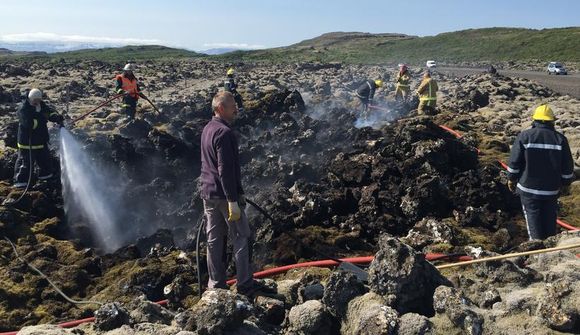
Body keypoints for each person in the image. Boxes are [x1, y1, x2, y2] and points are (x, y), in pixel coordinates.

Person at [200, 91, 260, 296]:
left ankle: (215, 285)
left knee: (213, 240)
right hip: (224, 196)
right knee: (241, 237)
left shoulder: (207, 129)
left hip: (208, 194)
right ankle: (244, 285)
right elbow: (225, 169)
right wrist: (233, 200)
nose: (236, 109)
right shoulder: (224, 133)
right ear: (219, 108)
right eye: (231, 106)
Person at [507, 104, 575, 240]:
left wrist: (511, 179)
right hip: (551, 190)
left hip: (528, 189)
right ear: (552, 121)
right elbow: (567, 167)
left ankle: (537, 249)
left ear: (534, 120)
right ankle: (550, 245)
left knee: (532, 219)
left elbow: (514, 163)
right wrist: (566, 183)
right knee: (550, 219)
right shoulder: (560, 139)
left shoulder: (524, 136)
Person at [13, 88, 64, 188]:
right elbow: (29, 124)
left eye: (38, 101)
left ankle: (45, 179)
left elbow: (48, 111)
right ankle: (21, 182)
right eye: (34, 101)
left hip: (41, 141)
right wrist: (42, 118)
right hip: (27, 143)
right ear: (29, 99)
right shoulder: (23, 109)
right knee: (25, 163)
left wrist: (55, 117)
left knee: (45, 161)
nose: (36, 103)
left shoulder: (41, 105)